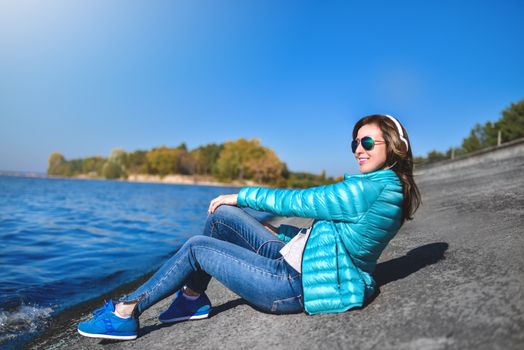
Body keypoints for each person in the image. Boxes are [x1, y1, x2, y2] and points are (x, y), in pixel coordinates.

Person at [77, 114, 421, 340]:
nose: (358, 150)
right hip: (301, 261)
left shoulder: (372, 187)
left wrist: (243, 195)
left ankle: (127, 311)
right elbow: (337, 235)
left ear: (394, 145)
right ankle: (192, 299)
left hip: (294, 284)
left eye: (366, 143)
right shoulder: (382, 186)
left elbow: (300, 201)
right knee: (219, 218)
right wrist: (285, 235)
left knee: (198, 246)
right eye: (355, 143)